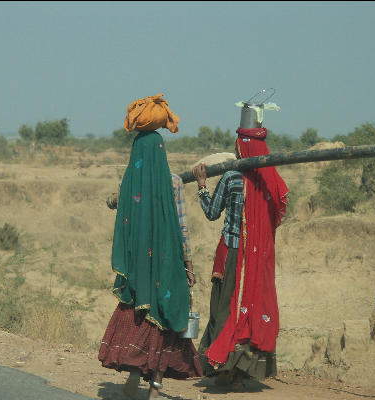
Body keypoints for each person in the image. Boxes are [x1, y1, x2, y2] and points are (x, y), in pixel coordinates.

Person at [98, 94, 202, 400]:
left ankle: (133, 378)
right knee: (165, 318)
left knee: (139, 315)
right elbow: (182, 228)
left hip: (139, 270)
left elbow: (119, 212)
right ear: (161, 151)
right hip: (167, 268)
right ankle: (155, 387)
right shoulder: (172, 183)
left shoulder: (129, 185)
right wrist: (189, 266)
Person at [192, 126, 288, 390]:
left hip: (232, 253)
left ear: (242, 148)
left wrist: (201, 187)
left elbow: (212, 212)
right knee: (252, 305)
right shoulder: (271, 179)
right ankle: (243, 369)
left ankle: (224, 368)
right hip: (257, 260)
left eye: (238, 145)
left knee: (225, 308)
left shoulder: (231, 177)